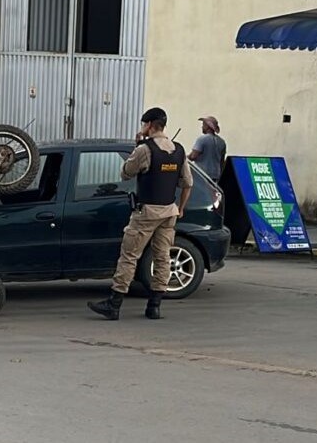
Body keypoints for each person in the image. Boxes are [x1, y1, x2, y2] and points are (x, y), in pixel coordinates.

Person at [87, 107, 193, 320]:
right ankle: (154, 306)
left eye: (144, 124)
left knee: (129, 256)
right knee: (163, 257)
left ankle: (114, 304)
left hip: (146, 213)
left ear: (150, 125)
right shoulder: (179, 150)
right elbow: (188, 183)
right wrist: (180, 208)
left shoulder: (145, 149)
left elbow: (126, 173)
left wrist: (137, 146)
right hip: (168, 212)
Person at [188, 116, 226, 182]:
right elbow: (222, 162)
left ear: (208, 127)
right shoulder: (222, 142)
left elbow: (193, 156)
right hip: (215, 176)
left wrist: (184, 158)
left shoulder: (202, 139)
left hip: (202, 174)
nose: (202, 127)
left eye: (203, 125)